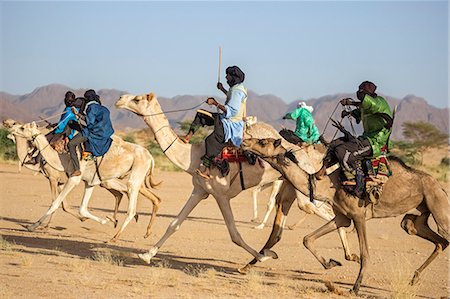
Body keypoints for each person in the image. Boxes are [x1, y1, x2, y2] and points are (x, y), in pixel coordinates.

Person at [317, 81, 393, 196]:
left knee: (343, 152)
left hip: (376, 142)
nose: (358, 93)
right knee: (334, 144)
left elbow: (371, 105)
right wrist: (348, 113)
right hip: (365, 137)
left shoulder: (379, 102)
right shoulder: (365, 106)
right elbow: (360, 111)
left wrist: (351, 102)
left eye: (361, 91)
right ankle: (322, 170)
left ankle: (354, 178)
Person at [183, 66, 247, 178]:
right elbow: (230, 98)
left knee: (210, 141)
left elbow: (231, 110)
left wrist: (215, 103)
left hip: (231, 123)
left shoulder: (237, 91)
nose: (226, 78)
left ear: (233, 77)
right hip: (225, 117)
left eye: (228, 75)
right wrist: (222, 89)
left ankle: (208, 170)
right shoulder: (236, 88)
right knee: (201, 114)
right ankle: (188, 137)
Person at [77, 89, 114, 160]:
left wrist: (78, 115)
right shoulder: (104, 108)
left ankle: (88, 155)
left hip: (97, 132)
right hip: (106, 132)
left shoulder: (91, 107)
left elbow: (90, 122)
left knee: (85, 133)